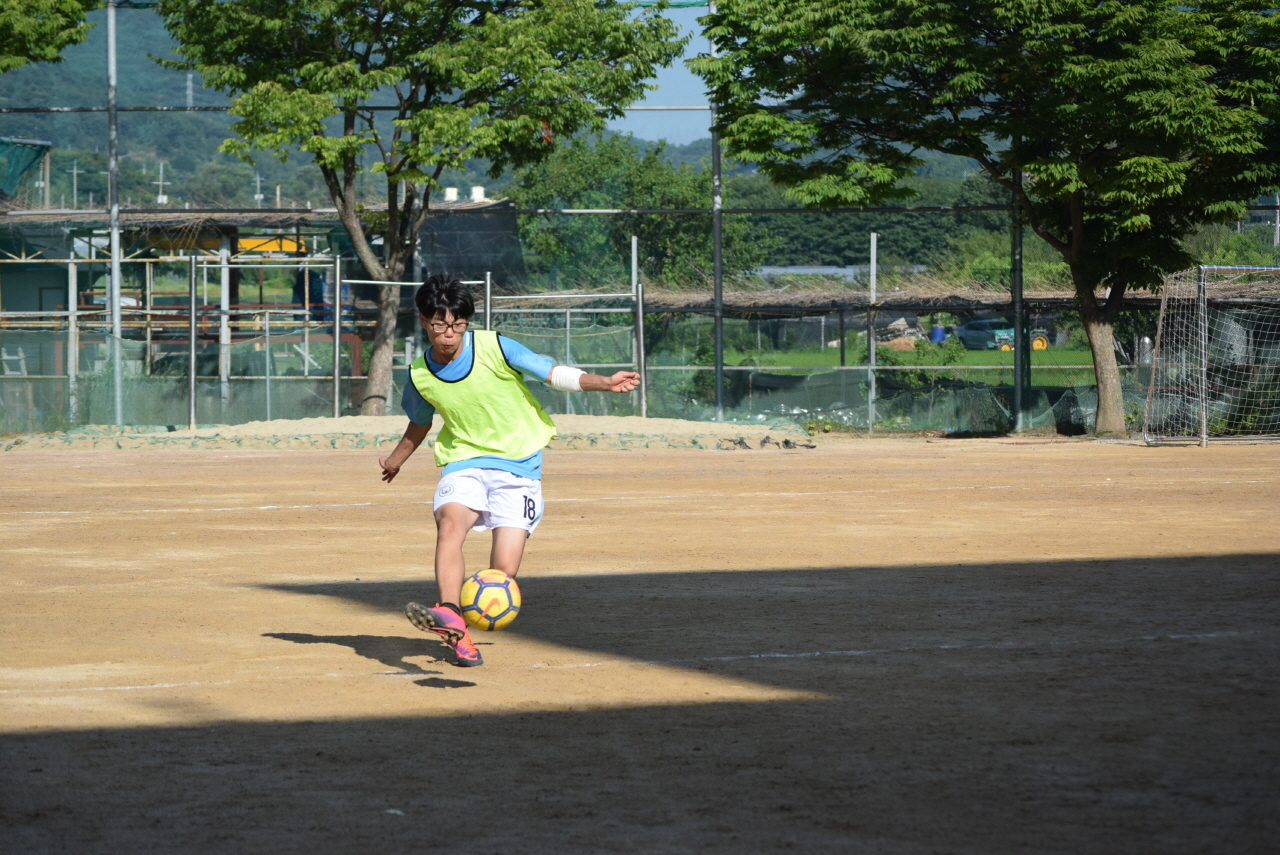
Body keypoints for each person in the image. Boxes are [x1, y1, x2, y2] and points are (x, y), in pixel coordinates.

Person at [379, 274, 638, 667]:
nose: (449, 333)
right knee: (450, 525)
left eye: (457, 324)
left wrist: (605, 382)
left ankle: (470, 616)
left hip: (519, 464)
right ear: (422, 320)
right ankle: (451, 615)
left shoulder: (494, 346)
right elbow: (420, 423)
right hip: (464, 459)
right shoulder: (418, 374)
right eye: (440, 324)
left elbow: (550, 372)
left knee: (504, 571)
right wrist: (397, 458)